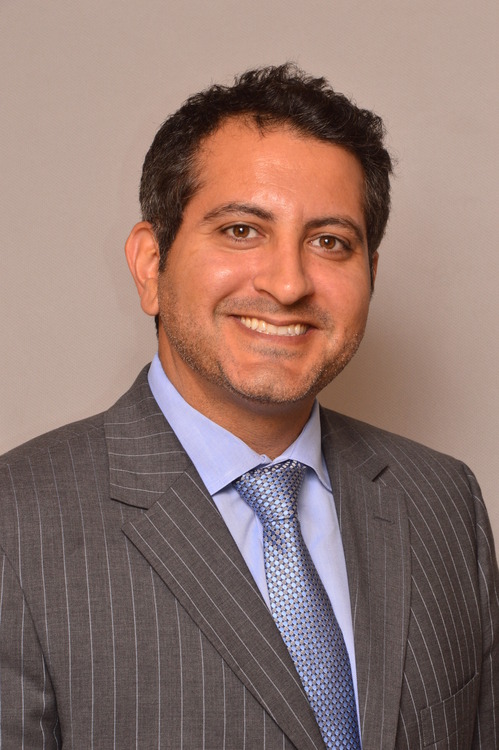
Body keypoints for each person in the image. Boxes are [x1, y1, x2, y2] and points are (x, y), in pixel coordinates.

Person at [0, 64, 497, 750]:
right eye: (241, 230)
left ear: (370, 275)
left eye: (330, 242)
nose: (288, 284)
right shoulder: (16, 525)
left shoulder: (444, 502)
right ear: (150, 264)